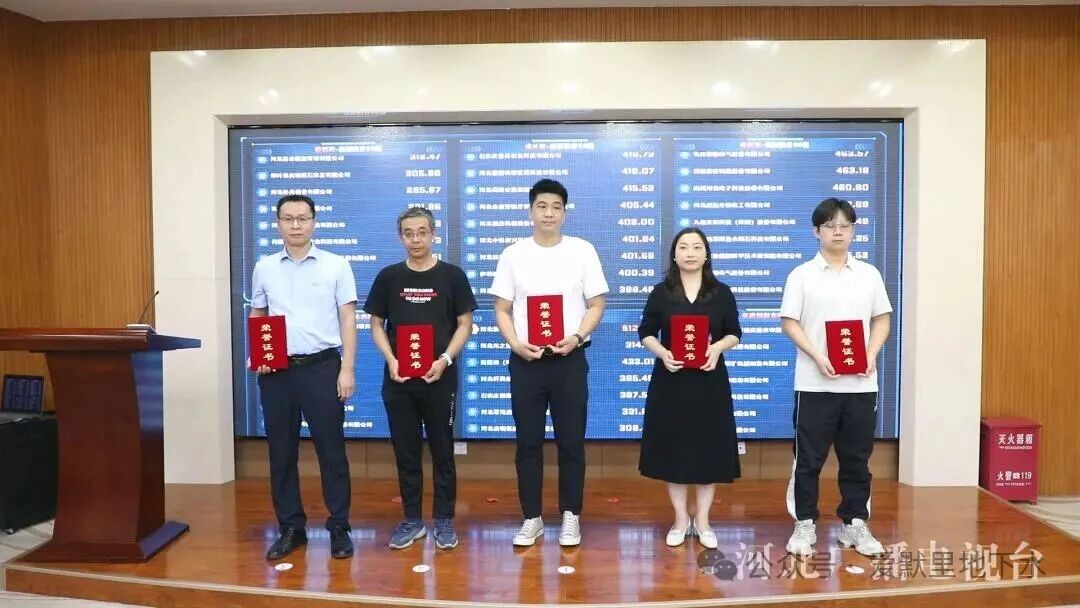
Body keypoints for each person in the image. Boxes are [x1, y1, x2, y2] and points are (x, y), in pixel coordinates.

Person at [490, 178, 608, 547]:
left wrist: (577, 337)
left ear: (564, 213)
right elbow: (501, 308)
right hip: (526, 362)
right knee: (528, 443)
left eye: (556, 207)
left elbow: (597, 304)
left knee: (571, 442)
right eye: (542, 206)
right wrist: (515, 343)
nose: (549, 213)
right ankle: (532, 518)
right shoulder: (513, 254)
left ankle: (571, 514)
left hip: (569, 361)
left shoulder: (582, 251)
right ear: (531, 211)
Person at [779, 197, 892, 557]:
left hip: (861, 384)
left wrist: (871, 354)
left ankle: (854, 524)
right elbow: (789, 322)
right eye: (830, 225)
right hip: (814, 383)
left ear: (854, 230)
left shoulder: (869, 274)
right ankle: (804, 523)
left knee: (857, 459)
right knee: (808, 460)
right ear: (817, 231)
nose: (838, 231)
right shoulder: (801, 275)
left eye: (845, 225)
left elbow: (882, 319)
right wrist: (817, 356)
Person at [250, 194, 357, 561]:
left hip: (322, 368)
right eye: (288, 218)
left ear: (314, 222)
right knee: (281, 453)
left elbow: (347, 318)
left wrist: (347, 368)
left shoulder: (336, 265)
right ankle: (291, 528)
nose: (295, 225)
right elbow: (259, 313)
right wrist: (259, 353)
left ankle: (339, 526)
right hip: (277, 372)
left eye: (302, 218)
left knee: (332, 451)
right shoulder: (264, 267)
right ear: (278, 223)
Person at [363, 207, 476, 551]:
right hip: (399, 380)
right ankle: (412, 520)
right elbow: (375, 324)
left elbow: (465, 324)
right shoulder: (389, 277)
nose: (416, 239)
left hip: (439, 378)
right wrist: (391, 359)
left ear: (433, 234)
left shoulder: (452, 276)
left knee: (443, 451)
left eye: (422, 232)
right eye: (409, 233)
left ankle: (444, 519)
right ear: (401, 237)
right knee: (406, 452)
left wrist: (445, 359)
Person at [637, 227, 742, 549]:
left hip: (710, 381)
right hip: (671, 381)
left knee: (709, 450)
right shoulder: (661, 292)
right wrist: (662, 353)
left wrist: (717, 348)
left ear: (706, 254)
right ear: (674, 254)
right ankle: (681, 519)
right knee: (675, 450)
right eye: (683, 247)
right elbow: (646, 332)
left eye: (697, 247)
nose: (690, 253)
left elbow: (734, 332)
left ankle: (704, 521)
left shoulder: (721, 292)